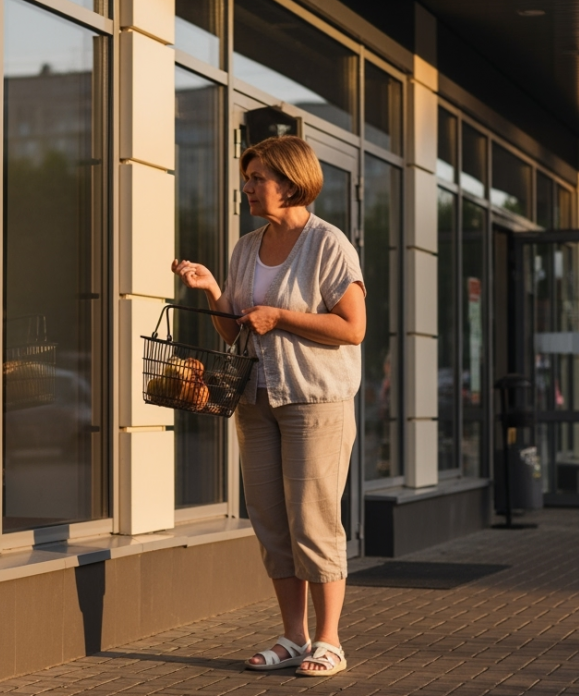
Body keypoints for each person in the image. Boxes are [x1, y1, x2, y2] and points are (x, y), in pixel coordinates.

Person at [172, 135, 365, 678]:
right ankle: (294, 637)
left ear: (292, 182)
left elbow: (353, 327)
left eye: (258, 178)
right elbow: (233, 329)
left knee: (313, 520)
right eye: (248, 177)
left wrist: (280, 316)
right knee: (271, 522)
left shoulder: (328, 245)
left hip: (314, 400)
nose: (249, 187)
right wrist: (212, 290)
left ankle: (330, 640)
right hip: (256, 400)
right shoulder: (245, 247)